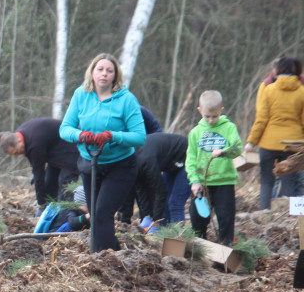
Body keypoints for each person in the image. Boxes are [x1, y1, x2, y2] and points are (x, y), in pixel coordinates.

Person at [60, 53, 146, 252]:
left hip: (120, 166)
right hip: (90, 164)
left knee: (101, 213)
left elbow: (140, 136)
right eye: (100, 69)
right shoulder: (81, 95)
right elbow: (64, 129)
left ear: (115, 76)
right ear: (92, 72)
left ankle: (103, 258)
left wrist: (113, 136)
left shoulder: (126, 99)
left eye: (109, 71)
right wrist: (81, 135)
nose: (104, 74)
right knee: (96, 215)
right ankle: (113, 254)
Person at [245, 56, 304, 209]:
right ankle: (291, 216)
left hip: (268, 144)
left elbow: (261, 120)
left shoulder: (269, 90)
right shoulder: (302, 92)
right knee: (290, 181)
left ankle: (264, 213)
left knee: (266, 180)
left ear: (278, 70)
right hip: (293, 144)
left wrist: (251, 142)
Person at [187, 91, 242, 244]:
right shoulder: (195, 133)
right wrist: (194, 181)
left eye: (215, 116)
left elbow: (237, 148)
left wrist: (224, 151)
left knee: (225, 218)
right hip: (202, 183)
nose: (211, 120)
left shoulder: (229, 128)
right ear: (199, 111)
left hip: (224, 181)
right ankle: (199, 247)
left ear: (221, 111)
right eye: (207, 116)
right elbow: (190, 160)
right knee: (197, 218)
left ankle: (226, 249)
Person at [0, 118, 80, 210]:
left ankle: (67, 214)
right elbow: (34, 164)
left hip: (73, 147)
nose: (17, 155)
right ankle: (51, 211)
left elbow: (39, 174)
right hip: (57, 151)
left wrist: (41, 204)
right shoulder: (21, 135)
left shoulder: (34, 144)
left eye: (16, 152)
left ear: (18, 141)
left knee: (65, 186)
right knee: (49, 183)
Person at [119, 132, 190, 227]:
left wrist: (155, 221)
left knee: (175, 203)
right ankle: (163, 234)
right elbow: (141, 192)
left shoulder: (146, 162)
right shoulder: (132, 166)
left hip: (188, 158)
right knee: (164, 205)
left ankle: (180, 234)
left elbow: (160, 192)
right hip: (170, 163)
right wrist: (147, 217)